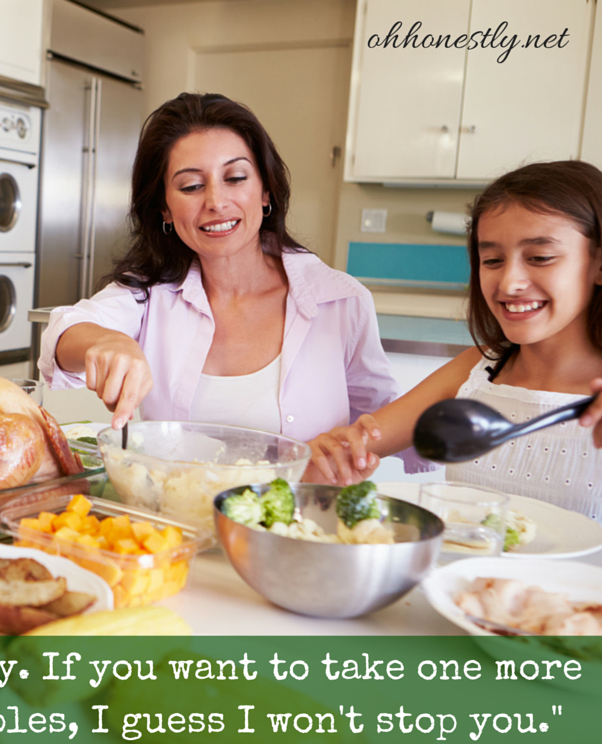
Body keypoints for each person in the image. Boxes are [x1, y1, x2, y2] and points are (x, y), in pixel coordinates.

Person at [38, 92, 422, 469]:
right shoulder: (150, 292)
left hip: (304, 523)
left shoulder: (340, 301)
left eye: (235, 177)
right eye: (191, 186)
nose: (216, 202)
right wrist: (108, 341)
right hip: (179, 526)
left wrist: (341, 453)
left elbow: (383, 421)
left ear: (266, 190)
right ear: (164, 210)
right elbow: (64, 333)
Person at [307, 161, 602, 521]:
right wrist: (330, 454)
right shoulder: (476, 371)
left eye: (540, 258)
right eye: (492, 260)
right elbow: (351, 448)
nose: (509, 283)